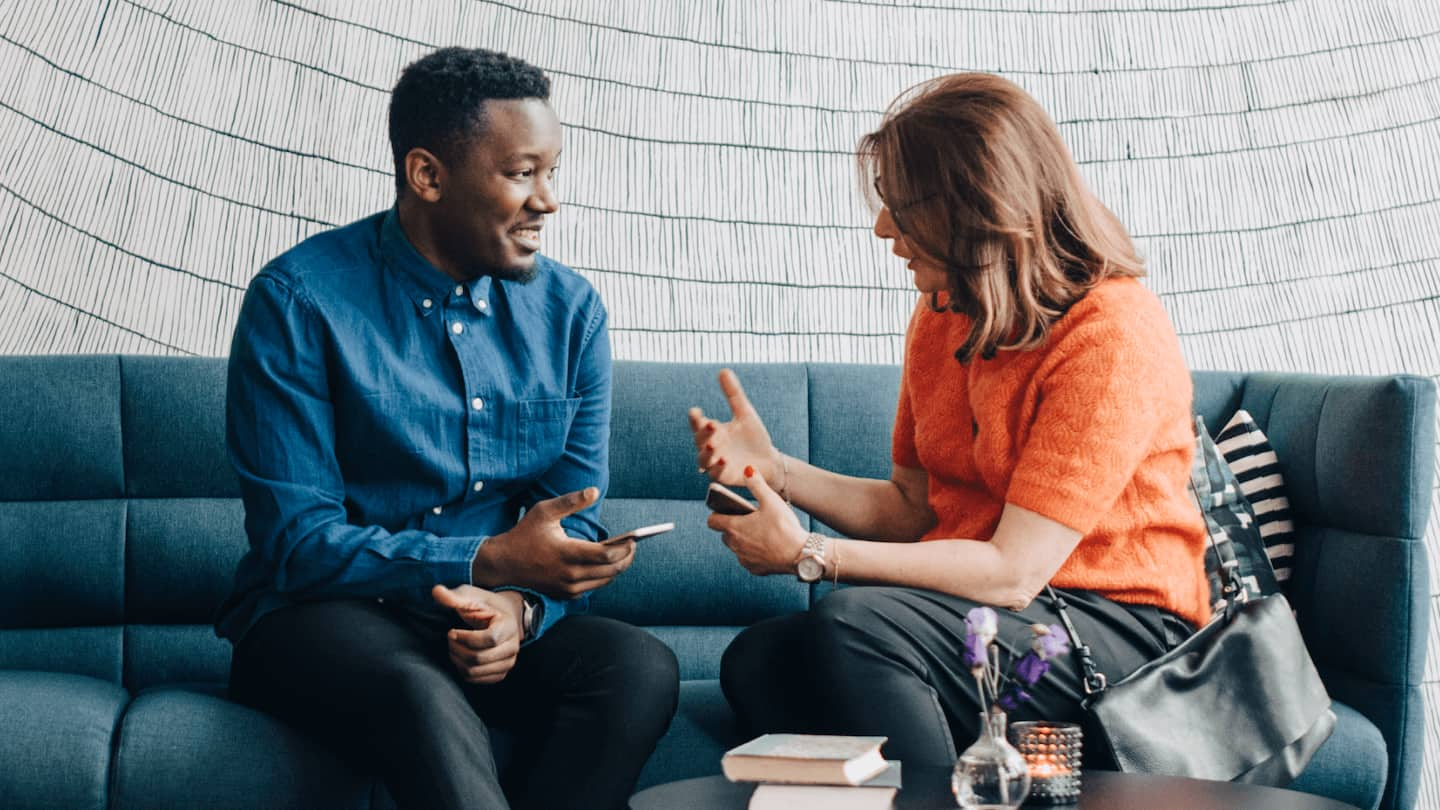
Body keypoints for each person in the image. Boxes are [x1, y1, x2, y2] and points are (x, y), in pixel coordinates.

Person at [690, 73, 1208, 768]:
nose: (882, 229)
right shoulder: (944, 315)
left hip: (1122, 627)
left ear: (981, 207)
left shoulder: (1110, 333)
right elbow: (912, 509)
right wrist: (779, 472)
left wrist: (812, 556)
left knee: (853, 625)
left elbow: (1013, 572)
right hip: (1001, 615)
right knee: (764, 660)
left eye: (902, 207)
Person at [217, 47, 678, 810]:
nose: (547, 203)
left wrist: (520, 609)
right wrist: (486, 561)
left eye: (552, 173)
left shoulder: (572, 315)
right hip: (322, 621)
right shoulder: (297, 303)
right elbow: (297, 545)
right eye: (521, 173)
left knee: (638, 668)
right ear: (427, 175)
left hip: (487, 621)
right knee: (417, 688)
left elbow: (574, 514)